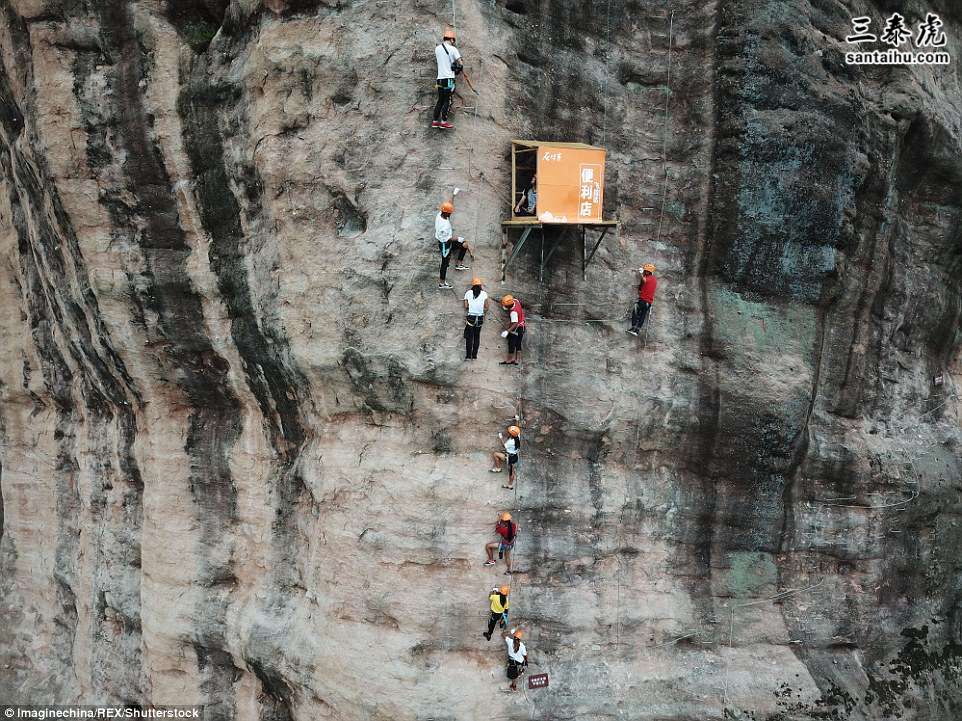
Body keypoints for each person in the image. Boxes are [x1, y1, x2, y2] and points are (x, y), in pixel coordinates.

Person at [436, 201, 473, 289]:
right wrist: (458, 239)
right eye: (450, 213)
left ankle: (459, 264)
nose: (451, 214)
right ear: (446, 213)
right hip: (445, 245)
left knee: (464, 245)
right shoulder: (443, 225)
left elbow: (447, 205)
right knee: (445, 263)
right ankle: (442, 283)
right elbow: (447, 239)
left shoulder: (440, 214)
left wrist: (453, 196)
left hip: (448, 242)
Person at [432, 27, 462, 130]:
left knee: (440, 99)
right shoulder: (453, 49)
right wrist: (457, 69)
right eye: (453, 40)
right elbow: (460, 63)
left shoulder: (437, 49)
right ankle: (444, 122)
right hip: (449, 79)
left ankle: (435, 121)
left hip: (439, 79)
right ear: (451, 39)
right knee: (447, 100)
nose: (453, 42)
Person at [627, 263, 657, 336]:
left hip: (643, 300)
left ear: (649, 272)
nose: (645, 272)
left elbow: (644, 280)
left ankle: (633, 327)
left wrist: (640, 273)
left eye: (646, 271)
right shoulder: (654, 279)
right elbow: (644, 284)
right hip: (648, 303)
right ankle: (636, 331)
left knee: (635, 311)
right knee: (642, 316)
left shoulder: (650, 278)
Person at [463, 277, 489, 359]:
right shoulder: (484, 294)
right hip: (480, 317)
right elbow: (487, 308)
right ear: (480, 285)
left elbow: (466, 306)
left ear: (473, 285)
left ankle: (468, 356)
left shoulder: (468, 293)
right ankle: (474, 356)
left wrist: (471, 307)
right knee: (477, 336)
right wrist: (481, 310)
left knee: (469, 337)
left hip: (471, 317)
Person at [490, 425, 520, 489]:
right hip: (514, 456)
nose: (507, 432)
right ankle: (498, 469)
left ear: (511, 434)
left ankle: (510, 484)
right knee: (512, 471)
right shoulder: (517, 436)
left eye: (509, 432)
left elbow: (504, 446)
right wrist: (517, 420)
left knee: (511, 472)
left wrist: (501, 438)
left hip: (510, 458)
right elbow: (517, 429)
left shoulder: (511, 442)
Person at [498, 294, 525, 365]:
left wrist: (507, 331)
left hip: (516, 328)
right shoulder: (516, 301)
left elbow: (515, 323)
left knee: (511, 343)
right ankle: (518, 360)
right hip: (522, 325)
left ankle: (509, 360)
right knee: (518, 343)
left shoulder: (513, 312)